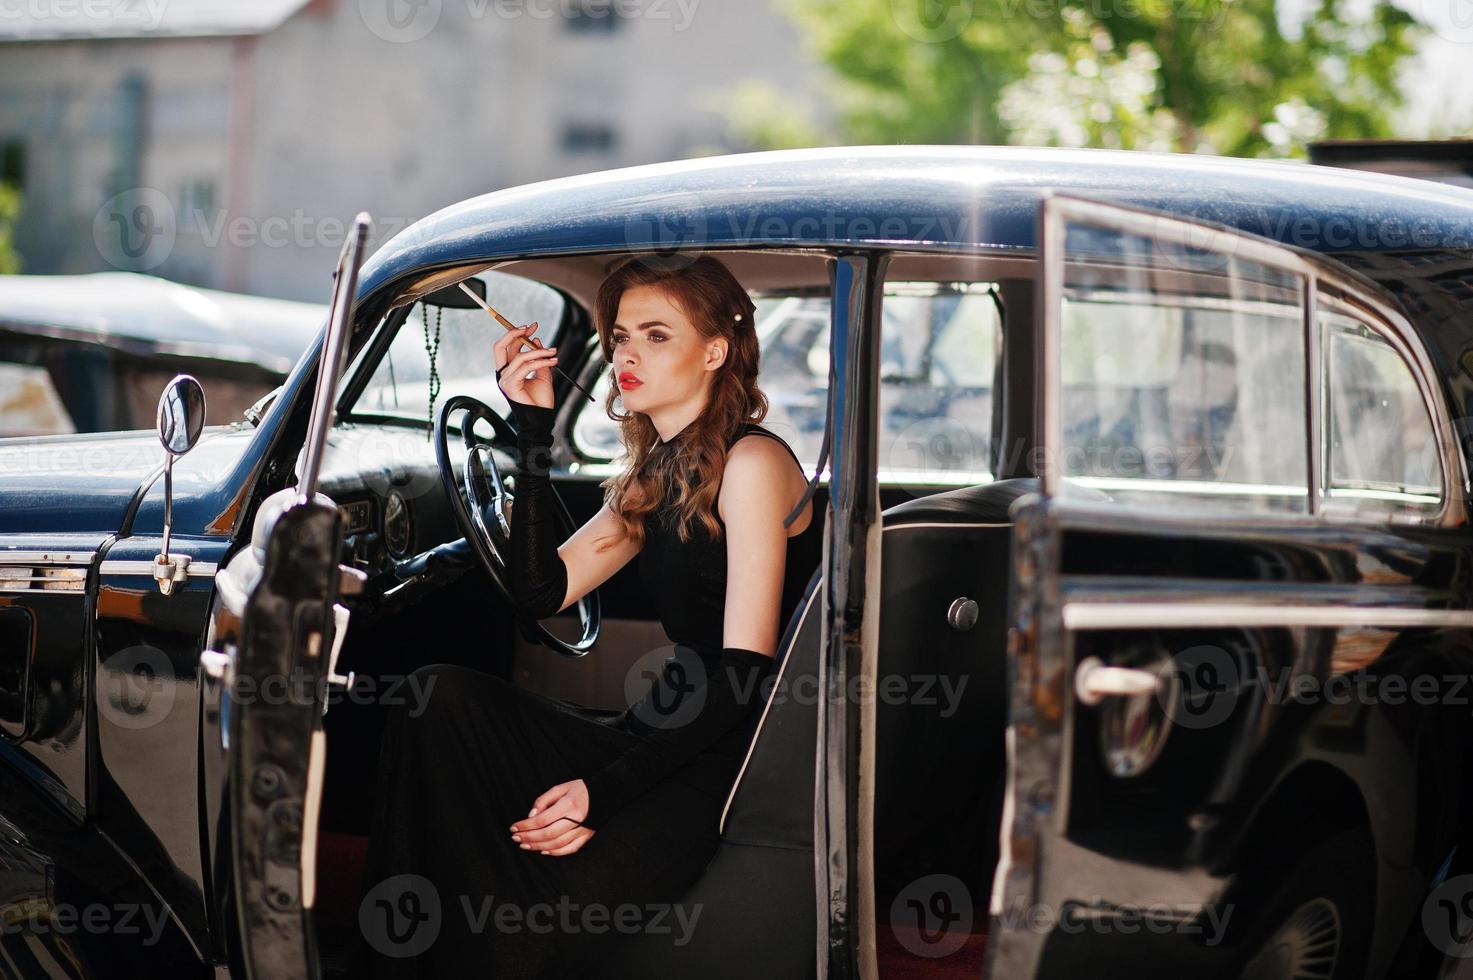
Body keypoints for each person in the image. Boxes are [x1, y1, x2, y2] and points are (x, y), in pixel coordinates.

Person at [358, 254, 818, 978]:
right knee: (438, 697)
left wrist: (600, 793)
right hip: (664, 726)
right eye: (621, 336)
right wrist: (532, 429)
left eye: (656, 336)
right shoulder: (652, 471)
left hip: (733, 751)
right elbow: (541, 591)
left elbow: (746, 676)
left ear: (716, 350)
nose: (626, 354)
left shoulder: (751, 463)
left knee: (530, 918)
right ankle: (393, 953)